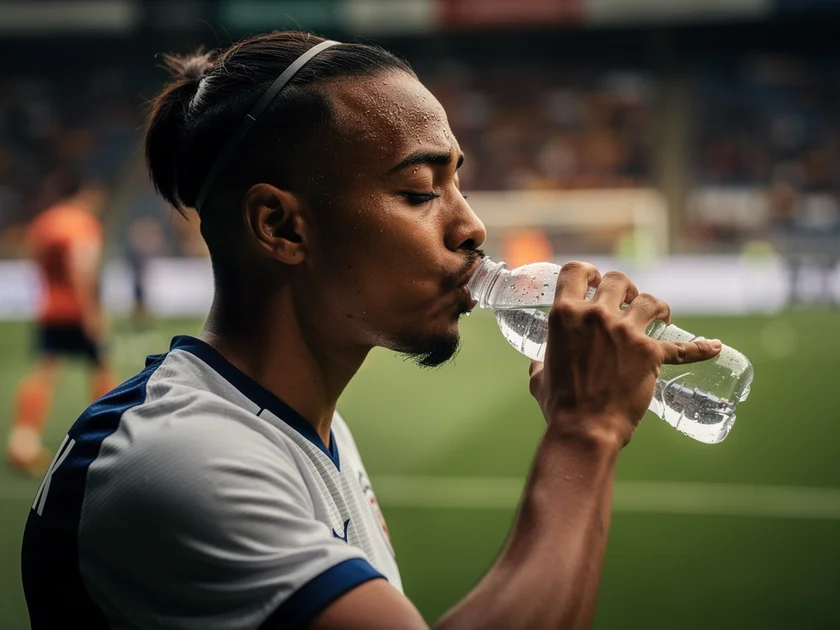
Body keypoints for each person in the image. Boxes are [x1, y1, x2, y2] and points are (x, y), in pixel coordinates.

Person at [20, 32, 721, 629]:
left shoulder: (298, 426)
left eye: (459, 186)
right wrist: (585, 431)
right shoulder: (179, 463)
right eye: (420, 191)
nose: (471, 226)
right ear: (281, 226)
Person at [6, 179, 118, 474]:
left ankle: (22, 440)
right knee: (102, 367)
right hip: (76, 310)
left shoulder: (45, 222)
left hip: (51, 307)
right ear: (85, 193)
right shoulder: (82, 223)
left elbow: (34, 258)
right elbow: (81, 267)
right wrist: (92, 312)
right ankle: (110, 433)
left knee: (43, 372)